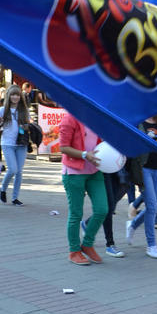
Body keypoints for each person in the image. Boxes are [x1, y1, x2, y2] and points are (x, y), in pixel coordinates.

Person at [59, 112, 108, 265]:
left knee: (102, 210)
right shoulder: (70, 118)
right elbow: (63, 147)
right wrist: (85, 154)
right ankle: (74, 251)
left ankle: (87, 244)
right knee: (76, 214)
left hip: (94, 170)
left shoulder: (96, 117)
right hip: (74, 172)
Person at [126, 114, 157, 259]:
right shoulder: (139, 122)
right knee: (152, 207)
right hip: (143, 169)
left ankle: (133, 224)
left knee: (155, 208)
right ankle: (151, 245)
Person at [0, 85, 29, 205]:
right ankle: (3, 189)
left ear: (20, 97)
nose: (15, 97)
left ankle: (15, 197)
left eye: (17, 95)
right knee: (13, 169)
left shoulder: (24, 111)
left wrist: (25, 126)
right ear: (8, 96)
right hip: (7, 143)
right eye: (12, 94)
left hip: (21, 144)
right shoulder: (2, 110)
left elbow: (27, 126)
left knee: (19, 171)